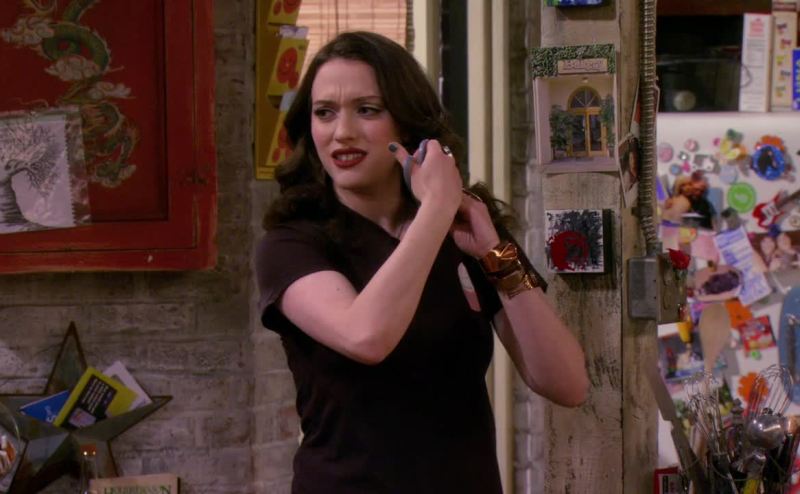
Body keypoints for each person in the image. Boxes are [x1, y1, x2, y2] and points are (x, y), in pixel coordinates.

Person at [255, 31, 589, 494]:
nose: (342, 131)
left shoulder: (467, 231)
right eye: (324, 112)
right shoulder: (292, 243)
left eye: (367, 110)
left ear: (409, 124)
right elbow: (366, 336)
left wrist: (495, 253)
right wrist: (435, 209)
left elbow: (567, 384)